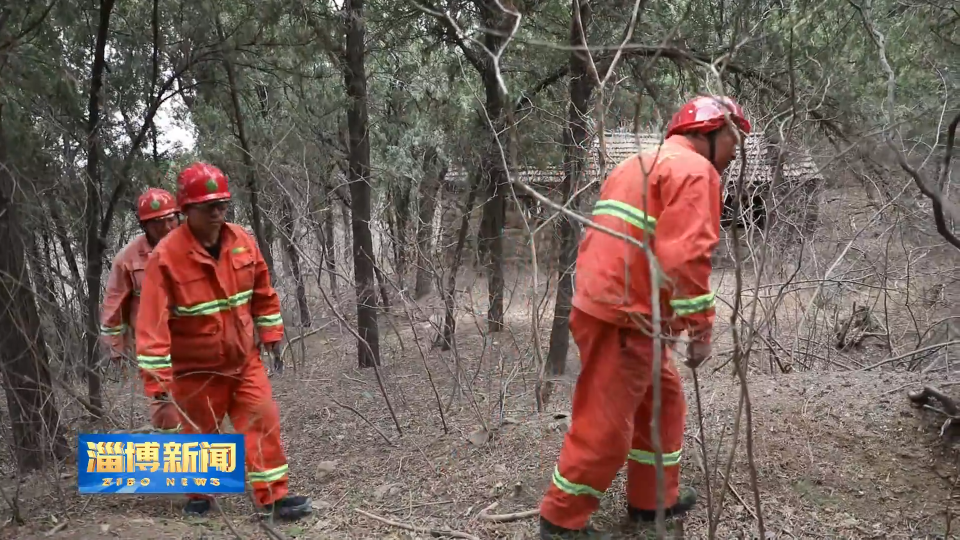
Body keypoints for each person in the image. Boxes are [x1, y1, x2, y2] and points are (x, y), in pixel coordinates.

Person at [538, 96, 751, 539]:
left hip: (616, 307)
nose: (738, 150)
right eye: (735, 138)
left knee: (663, 400)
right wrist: (701, 328)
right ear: (707, 132)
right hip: (627, 315)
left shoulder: (639, 163)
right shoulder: (696, 172)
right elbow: (685, 257)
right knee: (606, 421)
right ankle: (561, 522)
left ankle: (653, 500)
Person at [135, 162, 312, 520]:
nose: (218, 213)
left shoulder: (242, 241)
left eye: (222, 205)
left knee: (262, 421)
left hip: (243, 360)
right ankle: (200, 495)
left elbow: (262, 291)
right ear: (187, 211)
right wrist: (158, 384)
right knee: (201, 434)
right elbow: (152, 323)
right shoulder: (166, 257)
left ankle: (274, 497)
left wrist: (271, 332)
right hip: (195, 370)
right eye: (208, 207)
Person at [100, 187, 181, 433]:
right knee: (165, 409)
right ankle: (173, 461)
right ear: (145, 225)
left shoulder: (194, 246)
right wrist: (116, 348)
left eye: (171, 220)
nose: (166, 227)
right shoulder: (128, 259)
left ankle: (214, 464)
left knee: (206, 404)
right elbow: (113, 306)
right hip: (156, 348)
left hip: (198, 341)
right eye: (157, 223)